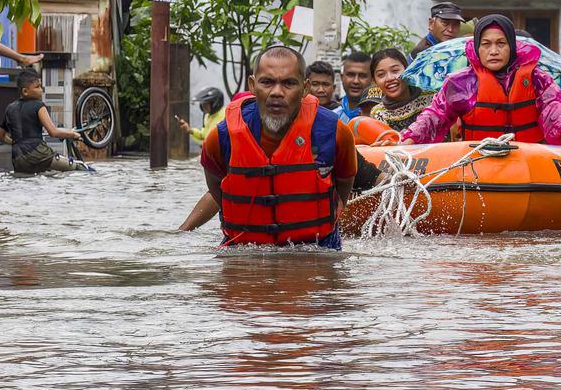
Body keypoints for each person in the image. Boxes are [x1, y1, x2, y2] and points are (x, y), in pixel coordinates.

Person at [180, 46, 380, 249]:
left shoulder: (334, 132)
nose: (277, 92)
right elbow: (216, 186)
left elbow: (345, 180)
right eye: (267, 82)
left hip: (317, 247)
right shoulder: (222, 136)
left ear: (305, 88)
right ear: (252, 84)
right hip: (244, 249)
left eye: (289, 83)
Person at [401, 15, 561, 145]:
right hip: (480, 160)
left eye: (501, 43)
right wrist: (408, 140)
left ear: (511, 46)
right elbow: (435, 115)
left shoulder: (536, 77)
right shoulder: (461, 82)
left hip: (530, 160)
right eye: (486, 44)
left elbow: (554, 107)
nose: (493, 51)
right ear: (477, 48)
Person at [0, 69, 82, 173]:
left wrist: (16, 142)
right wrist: (73, 134)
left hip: (18, 158)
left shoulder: (10, 108)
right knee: (78, 168)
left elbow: (0, 136)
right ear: (25, 91)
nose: (41, 89)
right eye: (37, 87)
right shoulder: (39, 106)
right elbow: (53, 132)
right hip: (40, 154)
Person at [366, 48, 435, 136]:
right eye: (381, 75)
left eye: (395, 71)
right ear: (374, 81)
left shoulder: (432, 98)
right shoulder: (378, 113)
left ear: (407, 70)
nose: (389, 78)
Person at [335, 51, 372, 122]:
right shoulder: (332, 118)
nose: (356, 81)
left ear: (372, 79)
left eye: (362, 76)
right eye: (351, 75)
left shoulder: (382, 117)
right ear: (342, 77)